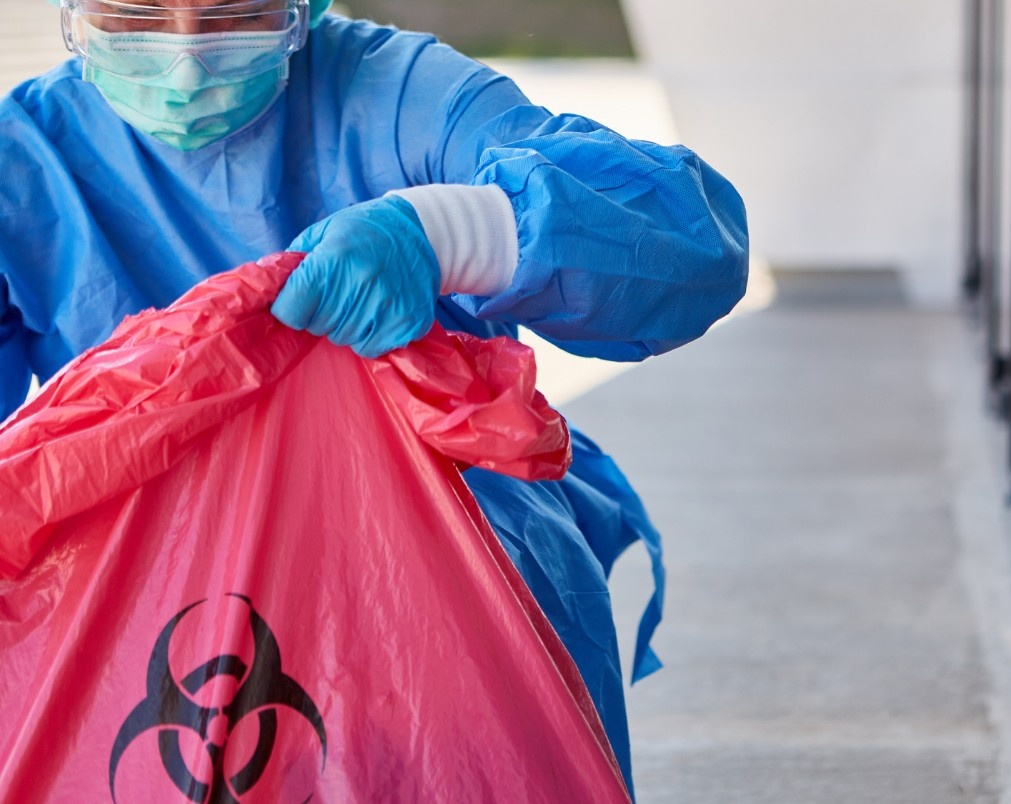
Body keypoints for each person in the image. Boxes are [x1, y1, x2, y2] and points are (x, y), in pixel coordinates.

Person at [0, 0, 749, 795]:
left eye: (236, 14)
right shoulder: (27, 163)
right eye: (137, 16)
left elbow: (684, 241)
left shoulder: (398, 97)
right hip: (139, 576)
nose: (187, 60)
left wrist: (450, 233)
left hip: (439, 560)